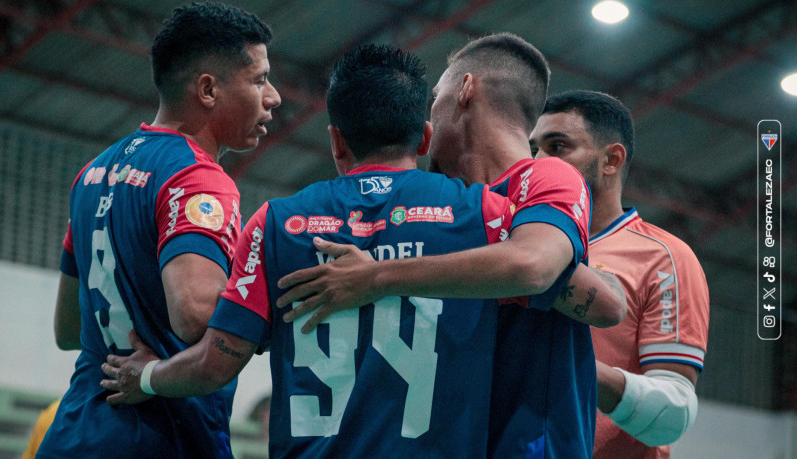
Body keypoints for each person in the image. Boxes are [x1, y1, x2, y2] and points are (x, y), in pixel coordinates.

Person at [102, 43, 519, 458]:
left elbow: (213, 364)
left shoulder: (276, 224)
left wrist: (147, 377)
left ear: (337, 142)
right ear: (424, 139)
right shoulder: (485, 215)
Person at [275, 33, 619, 458]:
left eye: (435, 97)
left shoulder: (544, 178)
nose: (427, 117)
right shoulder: (449, 205)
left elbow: (538, 268)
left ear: (465, 90)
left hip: (533, 444)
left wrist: (376, 276)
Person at [37, 3, 280, 458]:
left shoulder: (92, 173)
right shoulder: (197, 178)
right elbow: (195, 314)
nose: (274, 97)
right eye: (260, 79)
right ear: (208, 89)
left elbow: (69, 330)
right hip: (159, 438)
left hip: (73, 434)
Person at [529, 90, 710, 458]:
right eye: (533, 148)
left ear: (611, 160)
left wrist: (571, 368)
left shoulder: (663, 258)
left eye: (558, 146)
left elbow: (671, 414)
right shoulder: (515, 243)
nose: (537, 162)